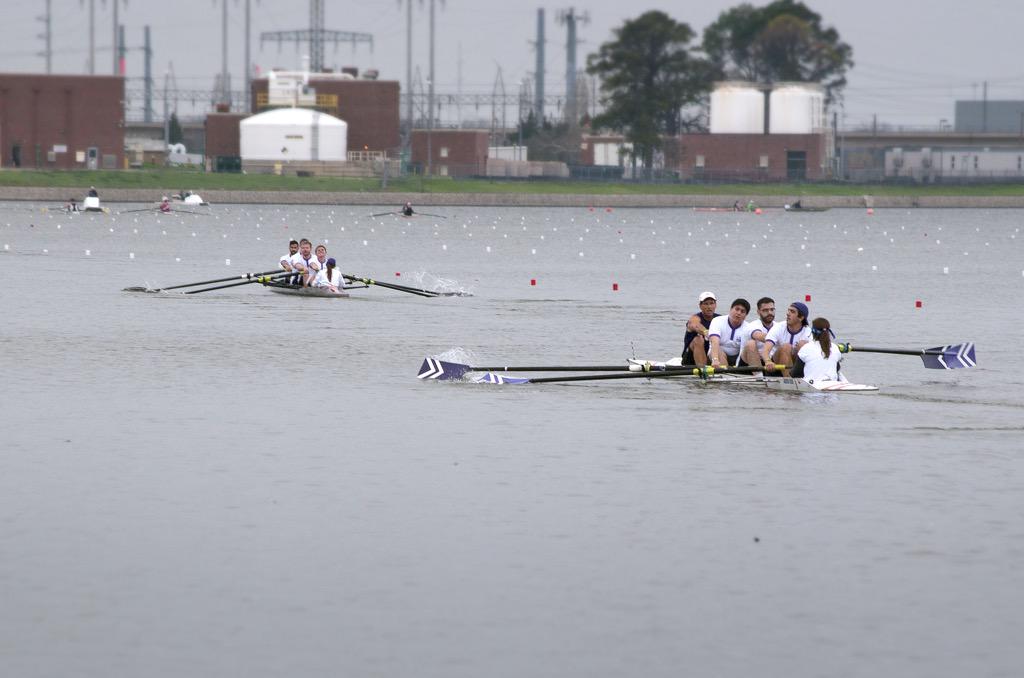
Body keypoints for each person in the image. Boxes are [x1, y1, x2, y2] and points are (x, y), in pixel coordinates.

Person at [760, 301, 812, 375]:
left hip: (797, 366)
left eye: (792, 312)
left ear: (801, 318)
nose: (788, 313)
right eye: (788, 310)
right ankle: (788, 379)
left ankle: (802, 376)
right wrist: (768, 361)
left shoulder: (808, 332)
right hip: (776, 367)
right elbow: (765, 350)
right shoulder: (778, 327)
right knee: (786, 347)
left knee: (803, 344)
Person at [791, 317, 841, 382]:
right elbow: (837, 368)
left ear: (813, 331)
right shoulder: (835, 347)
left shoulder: (806, 348)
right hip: (832, 384)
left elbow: (795, 374)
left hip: (812, 385)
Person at [738, 297, 780, 367]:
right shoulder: (751, 325)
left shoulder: (779, 326)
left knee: (786, 347)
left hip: (771, 362)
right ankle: (759, 374)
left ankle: (789, 373)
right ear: (758, 312)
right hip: (747, 363)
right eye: (765, 310)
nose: (769, 313)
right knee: (751, 344)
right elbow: (760, 336)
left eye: (772, 309)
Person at [707, 298, 750, 367]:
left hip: (737, 356)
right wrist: (715, 359)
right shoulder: (717, 321)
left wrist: (737, 367)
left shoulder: (748, 327)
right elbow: (714, 341)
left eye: (742, 311)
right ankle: (725, 371)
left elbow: (742, 350)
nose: (739, 313)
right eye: (737, 309)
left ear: (745, 316)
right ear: (730, 309)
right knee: (719, 352)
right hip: (717, 354)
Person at [682, 291, 720, 367]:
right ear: (700, 306)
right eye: (706, 304)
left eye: (711, 303)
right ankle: (703, 369)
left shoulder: (720, 319)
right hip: (690, 360)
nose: (709, 307)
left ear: (715, 305)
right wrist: (706, 332)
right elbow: (695, 325)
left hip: (710, 358)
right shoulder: (695, 318)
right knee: (698, 339)